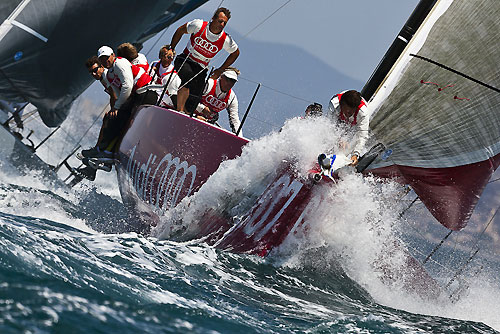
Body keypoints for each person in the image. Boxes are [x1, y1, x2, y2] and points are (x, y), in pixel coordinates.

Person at [79, 46, 156, 168]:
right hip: (136, 95)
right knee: (114, 119)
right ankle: (102, 152)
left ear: (113, 55)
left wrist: (116, 108)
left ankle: (107, 152)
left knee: (123, 121)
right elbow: (118, 93)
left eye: (106, 58)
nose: (105, 61)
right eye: (102, 59)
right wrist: (117, 108)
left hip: (147, 92)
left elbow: (127, 87)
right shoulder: (109, 74)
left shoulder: (120, 63)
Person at [169, 7, 240, 114]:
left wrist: (221, 70)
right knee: (187, 77)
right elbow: (180, 30)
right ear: (213, 18)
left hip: (201, 68)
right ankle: (180, 111)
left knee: (197, 96)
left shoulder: (225, 39)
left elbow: (235, 53)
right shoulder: (199, 25)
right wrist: (171, 48)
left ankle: (187, 114)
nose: (222, 25)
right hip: (186, 59)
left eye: (224, 23)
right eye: (220, 21)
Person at [194, 67, 241, 135]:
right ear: (221, 77)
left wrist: (239, 137)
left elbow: (235, 119)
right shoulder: (209, 84)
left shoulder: (232, 98)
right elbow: (188, 98)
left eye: (233, 81)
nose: (230, 83)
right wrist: (202, 108)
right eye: (228, 79)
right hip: (188, 114)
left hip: (206, 124)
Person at [328, 90, 370, 165]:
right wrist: (338, 139)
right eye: (347, 111)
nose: (348, 114)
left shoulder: (363, 113)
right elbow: (329, 126)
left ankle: (342, 161)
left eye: (351, 112)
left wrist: (355, 154)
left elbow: (362, 136)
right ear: (341, 105)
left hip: (354, 125)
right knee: (333, 141)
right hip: (338, 120)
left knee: (348, 145)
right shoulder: (334, 103)